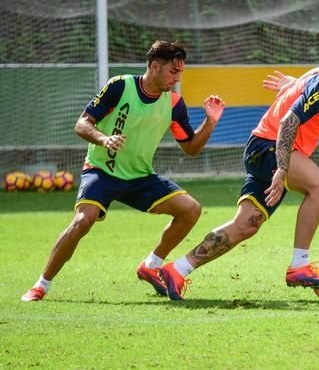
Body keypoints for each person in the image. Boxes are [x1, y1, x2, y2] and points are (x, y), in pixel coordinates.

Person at [157, 50, 319, 300]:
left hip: (269, 150)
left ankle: (177, 270)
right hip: (268, 147)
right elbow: (287, 122)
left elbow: (309, 80)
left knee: (246, 225)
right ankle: (298, 265)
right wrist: (281, 169)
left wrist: (292, 84)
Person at [21, 41, 225, 302]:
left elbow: (191, 148)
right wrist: (104, 139)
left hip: (140, 176)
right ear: (154, 66)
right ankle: (41, 285)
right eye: (173, 71)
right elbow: (82, 124)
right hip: (101, 171)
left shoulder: (174, 103)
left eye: (180, 73)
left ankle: (151, 265)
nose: (177, 78)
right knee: (83, 220)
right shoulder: (120, 86)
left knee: (191, 209)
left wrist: (210, 122)